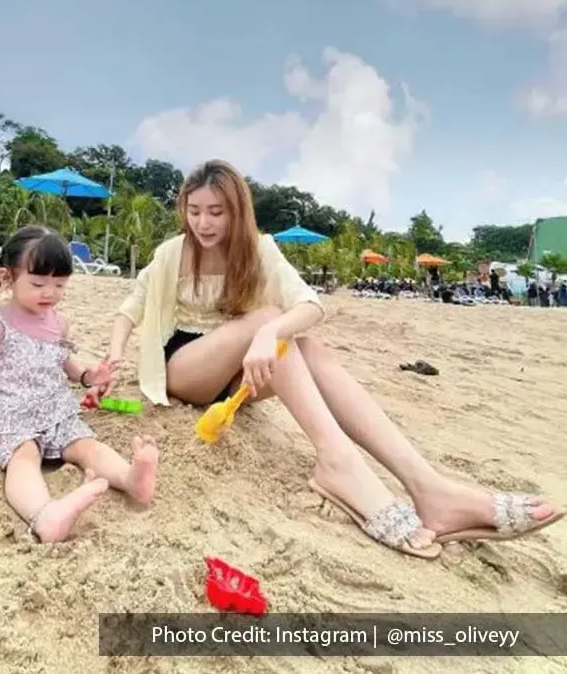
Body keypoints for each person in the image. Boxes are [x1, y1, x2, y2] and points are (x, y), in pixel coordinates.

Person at [104, 159, 564, 560]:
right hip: (185, 368)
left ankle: (429, 487)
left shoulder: (259, 250)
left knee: (300, 343)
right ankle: (338, 461)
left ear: (238, 211)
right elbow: (131, 309)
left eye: (216, 212)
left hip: (239, 373)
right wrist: (113, 357)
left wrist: (270, 331)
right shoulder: (172, 254)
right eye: (194, 210)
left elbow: (311, 306)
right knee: (272, 321)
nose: (203, 223)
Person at [0, 225, 159, 544]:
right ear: (7, 278)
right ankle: (43, 514)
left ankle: (131, 479)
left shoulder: (60, 323)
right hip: (6, 414)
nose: (50, 292)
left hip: (54, 411)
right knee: (25, 456)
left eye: (60, 284)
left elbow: (67, 365)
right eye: (38, 284)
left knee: (87, 446)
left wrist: (92, 376)